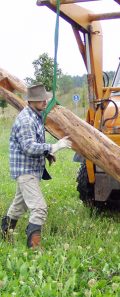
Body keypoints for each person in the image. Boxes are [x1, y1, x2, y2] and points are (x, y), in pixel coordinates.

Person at [1, 84, 72, 248]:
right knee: (39, 208)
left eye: (45, 98)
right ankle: (33, 248)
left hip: (30, 169)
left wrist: (47, 154)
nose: (45, 101)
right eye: (41, 99)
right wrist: (54, 147)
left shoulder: (35, 115)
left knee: (19, 205)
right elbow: (29, 147)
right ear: (32, 101)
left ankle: (5, 234)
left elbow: (34, 143)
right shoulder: (26, 120)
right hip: (26, 171)